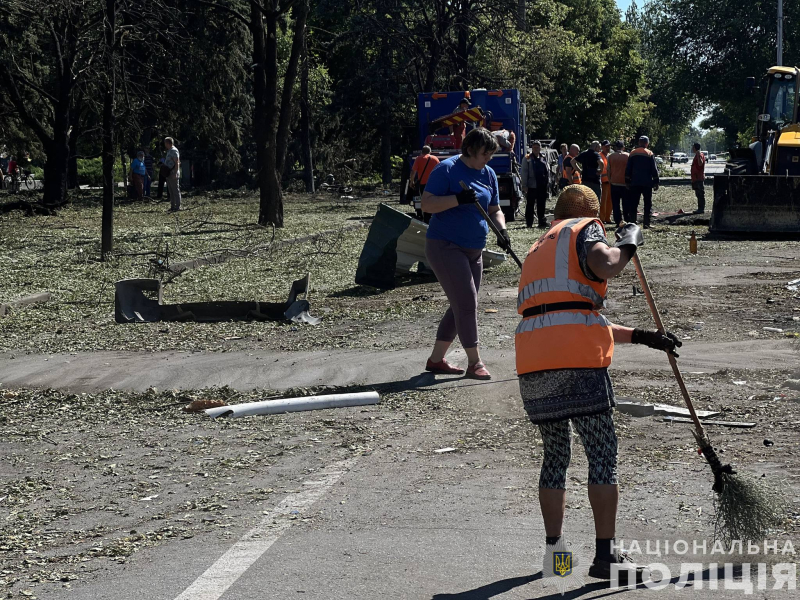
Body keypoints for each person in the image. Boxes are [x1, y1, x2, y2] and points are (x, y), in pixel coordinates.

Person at [515, 184, 681, 581]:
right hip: (578, 367)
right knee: (602, 454)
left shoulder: (540, 248)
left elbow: (573, 315)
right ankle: (605, 558)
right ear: (594, 214)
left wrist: (642, 336)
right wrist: (629, 243)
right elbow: (607, 265)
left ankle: (555, 555)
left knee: (556, 455)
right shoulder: (586, 229)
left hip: (534, 364)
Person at [421, 128, 507, 380]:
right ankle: (475, 362)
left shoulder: (489, 173)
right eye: (485, 153)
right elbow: (426, 204)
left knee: (459, 305)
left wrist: (502, 231)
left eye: (491, 154)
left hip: (474, 250)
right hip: (445, 246)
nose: (489, 158)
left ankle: (436, 360)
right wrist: (457, 199)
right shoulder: (446, 170)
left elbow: (495, 209)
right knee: (468, 303)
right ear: (470, 150)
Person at [624, 136, 659, 228]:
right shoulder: (649, 153)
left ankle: (633, 222)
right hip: (647, 183)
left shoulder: (632, 153)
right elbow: (654, 169)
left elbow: (628, 168)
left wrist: (627, 181)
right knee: (647, 203)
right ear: (647, 143)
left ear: (639, 143)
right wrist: (656, 181)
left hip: (634, 182)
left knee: (634, 203)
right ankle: (646, 223)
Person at [520, 140, 550, 228]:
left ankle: (542, 222)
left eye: (537, 147)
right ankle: (529, 223)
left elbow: (547, 171)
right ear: (532, 148)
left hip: (542, 186)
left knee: (541, 205)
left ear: (540, 148)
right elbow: (524, 172)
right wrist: (524, 185)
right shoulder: (527, 158)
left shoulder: (543, 157)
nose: (536, 149)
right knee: (530, 205)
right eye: (534, 147)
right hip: (531, 186)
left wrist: (548, 184)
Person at [410, 145, 440, 223]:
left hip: (423, 184)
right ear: (430, 152)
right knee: (434, 200)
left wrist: (411, 182)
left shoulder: (419, 158)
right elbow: (440, 171)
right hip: (434, 184)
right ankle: (434, 217)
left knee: (425, 200)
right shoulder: (435, 159)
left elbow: (413, 172)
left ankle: (427, 219)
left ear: (422, 152)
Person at [607, 141, 629, 226]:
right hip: (625, 183)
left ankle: (618, 221)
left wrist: (610, 180)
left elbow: (608, 170)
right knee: (626, 203)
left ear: (615, 148)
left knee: (616, 204)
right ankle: (626, 219)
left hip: (614, 183)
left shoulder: (610, 157)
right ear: (623, 147)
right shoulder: (627, 156)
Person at [164, 137, 181, 211]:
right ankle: (172, 206)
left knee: (175, 190)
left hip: (173, 173)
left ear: (168, 143)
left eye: (165, 143)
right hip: (168, 173)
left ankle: (177, 206)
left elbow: (176, 162)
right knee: (170, 190)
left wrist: (175, 173)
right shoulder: (169, 151)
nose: (165, 145)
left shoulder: (174, 150)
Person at [598, 140, 612, 223]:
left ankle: (608, 217)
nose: (608, 148)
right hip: (603, 182)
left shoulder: (610, 156)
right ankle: (602, 218)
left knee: (610, 201)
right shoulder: (599, 155)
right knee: (603, 201)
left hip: (610, 182)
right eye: (606, 146)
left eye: (609, 146)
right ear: (602, 147)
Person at [690, 142, 706, 214]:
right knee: (698, 194)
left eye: (693, 147)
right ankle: (699, 208)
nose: (692, 148)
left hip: (699, 178)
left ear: (695, 148)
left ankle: (701, 209)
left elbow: (700, 163)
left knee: (700, 194)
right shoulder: (696, 155)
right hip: (695, 178)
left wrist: (699, 155)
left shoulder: (700, 154)